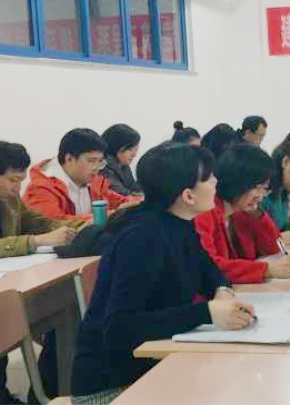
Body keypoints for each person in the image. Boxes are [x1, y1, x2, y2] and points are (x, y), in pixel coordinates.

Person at [71, 143, 255, 403]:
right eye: (208, 177)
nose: (216, 181)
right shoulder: (142, 238)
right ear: (188, 196)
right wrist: (207, 312)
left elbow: (210, 271)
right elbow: (119, 328)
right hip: (113, 387)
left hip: (156, 369)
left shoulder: (179, 223)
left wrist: (222, 292)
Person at [0, 142, 80, 404]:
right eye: (12, 181)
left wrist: (82, 228)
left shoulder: (6, 196)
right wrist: (34, 241)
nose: (17, 189)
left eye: (20, 180)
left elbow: (39, 223)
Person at [195, 143, 290, 283]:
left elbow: (274, 247)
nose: (261, 196)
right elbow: (210, 266)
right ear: (238, 182)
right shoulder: (205, 212)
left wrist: (258, 215)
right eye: (257, 188)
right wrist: (265, 270)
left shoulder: (242, 211)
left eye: (264, 189)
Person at [24, 129, 134, 222]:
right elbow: (54, 223)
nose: (97, 167)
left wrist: (136, 203)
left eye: (100, 161)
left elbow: (119, 201)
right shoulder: (40, 188)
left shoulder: (93, 181)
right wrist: (109, 215)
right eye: (91, 161)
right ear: (69, 159)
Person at [101, 124, 142, 196]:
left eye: (136, 149)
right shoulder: (103, 167)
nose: (134, 154)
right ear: (116, 146)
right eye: (130, 149)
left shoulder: (123, 164)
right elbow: (122, 194)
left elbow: (134, 188)